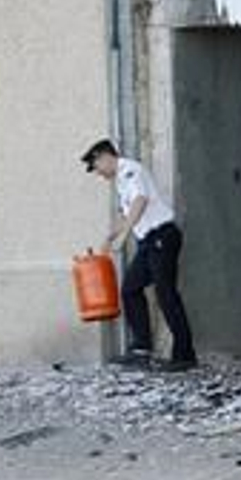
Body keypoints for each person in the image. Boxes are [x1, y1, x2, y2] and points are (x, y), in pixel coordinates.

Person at [81, 139, 198, 372]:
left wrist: (125, 235)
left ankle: (185, 355)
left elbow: (140, 201)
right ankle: (141, 349)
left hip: (161, 236)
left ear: (105, 156)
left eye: (96, 166)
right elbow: (128, 213)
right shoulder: (120, 181)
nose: (98, 173)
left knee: (166, 294)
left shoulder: (130, 170)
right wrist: (111, 236)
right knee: (130, 289)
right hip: (149, 241)